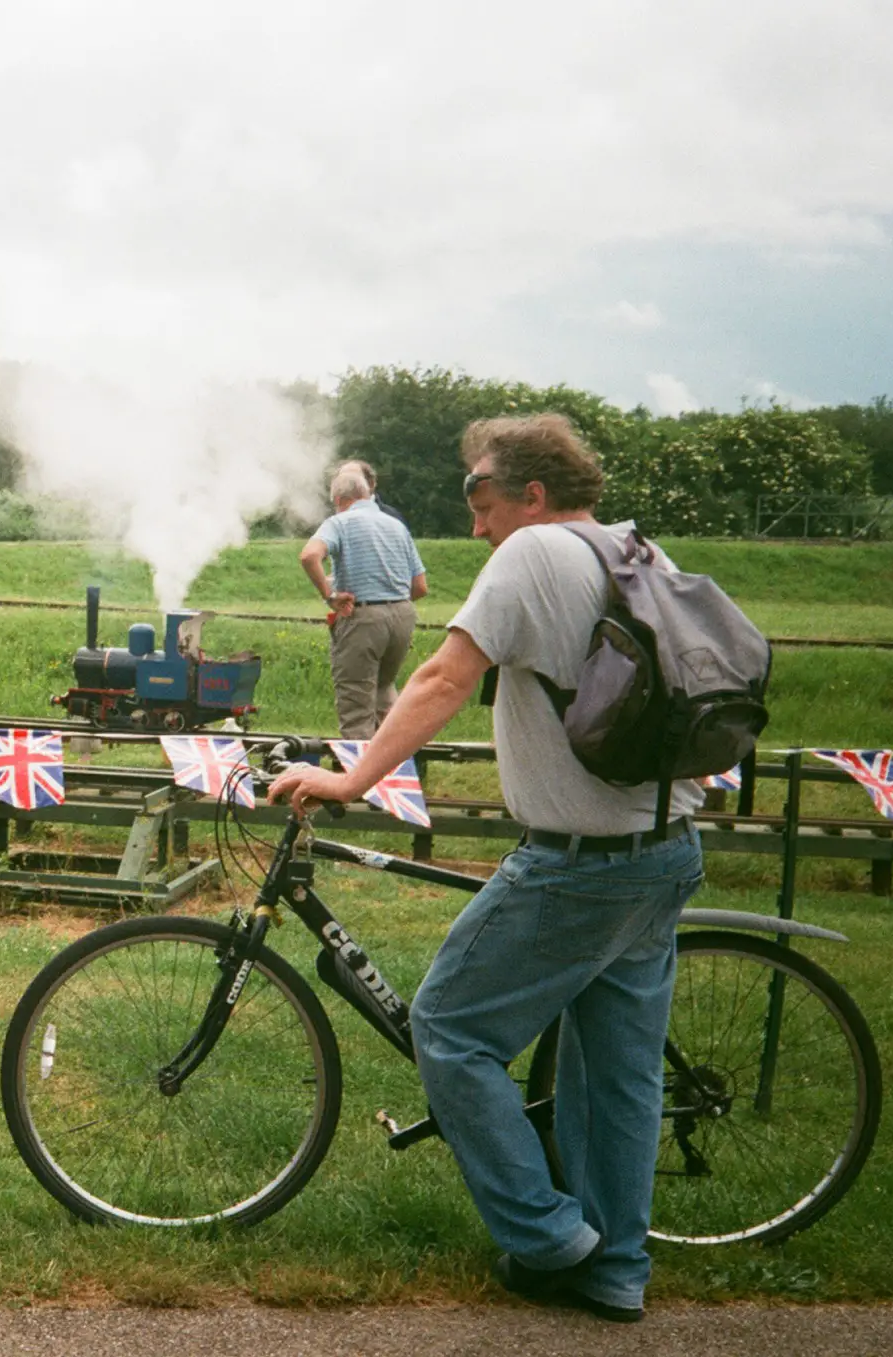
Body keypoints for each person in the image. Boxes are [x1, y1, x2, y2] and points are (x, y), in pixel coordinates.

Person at [268, 413, 705, 1324]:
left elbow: (439, 678)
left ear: (533, 495)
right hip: (663, 852)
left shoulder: (533, 555)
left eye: (482, 498)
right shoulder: (635, 550)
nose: (476, 524)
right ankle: (617, 1268)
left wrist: (349, 776)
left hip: (578, 863)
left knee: (451, 1027)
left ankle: (549, 1238)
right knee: (617, 1072)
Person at [301, 464, 428, 737]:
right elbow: (420, 586)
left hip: (363, 619)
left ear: (338, 500)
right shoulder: (395, 525)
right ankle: (397, 769)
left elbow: (309, 556)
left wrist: (330, 596)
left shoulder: (338, 523)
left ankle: (358, 776)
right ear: (367, 493)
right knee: (384, 691)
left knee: (356, 704)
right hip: (402, 615)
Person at [337, 458, 410, 528]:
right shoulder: (336, 518)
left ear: (371, 484)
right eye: (342, 480)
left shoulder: (392, 517)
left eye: (353, 481)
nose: (345, 486)